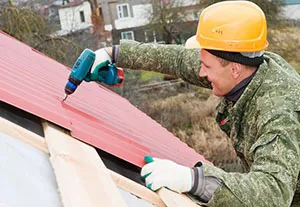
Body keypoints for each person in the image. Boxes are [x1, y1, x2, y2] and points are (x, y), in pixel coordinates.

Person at [88, 1, 300, 206]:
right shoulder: (244, 66)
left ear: (234, 69)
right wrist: (114, 54)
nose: (200, 72)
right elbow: (178, 59)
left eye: (206, 66)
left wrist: (193, 180)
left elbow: (274, 194)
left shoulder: (278, 113)